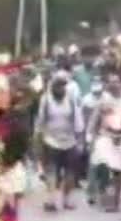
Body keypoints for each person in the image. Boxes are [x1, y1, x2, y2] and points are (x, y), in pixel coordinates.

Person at [35, 75, 84, 211]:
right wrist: (38, 138)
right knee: (51, 171)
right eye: (58, 85)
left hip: (69, 141)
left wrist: (80, 140)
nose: (60, 88)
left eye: (63, 86)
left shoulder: (71, 100)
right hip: (50, 140)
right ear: (52, 87)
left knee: (70, 173)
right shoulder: (46, 100)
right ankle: (51, 201)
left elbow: (78, 119)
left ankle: (66, 200)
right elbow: (40, 120)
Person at [88, 73, 121, 211]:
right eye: (111, 82)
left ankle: (115, 203)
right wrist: (90, 137)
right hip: (106, 136)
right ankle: (101, 192)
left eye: (116, 81)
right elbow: (94, 120)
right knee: (101, 164)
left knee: (119, 170)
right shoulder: (103, 100)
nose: (114, 84)